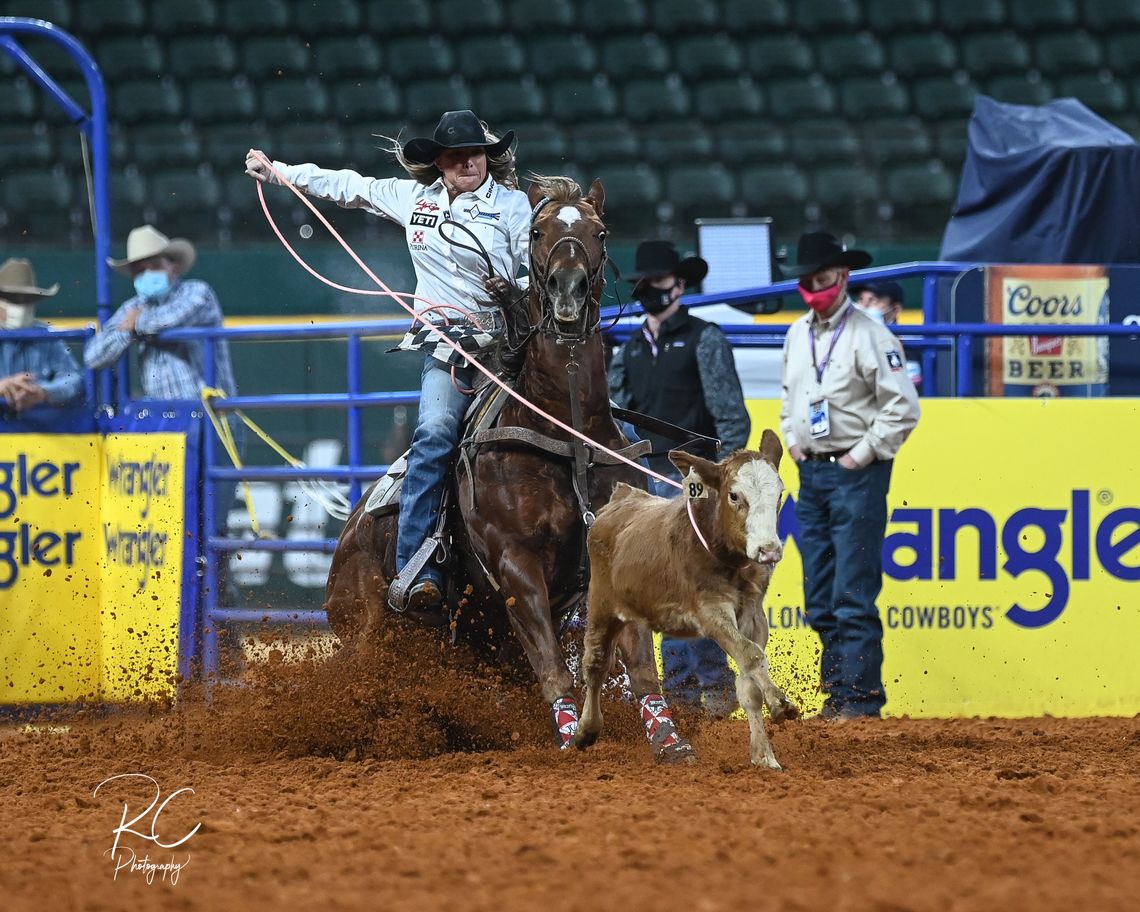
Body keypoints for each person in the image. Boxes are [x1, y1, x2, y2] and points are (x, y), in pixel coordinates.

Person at [245, 109, 532, 621]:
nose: (468, 161)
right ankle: (416, 569)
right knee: (435, 437)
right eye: (456, 154)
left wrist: (511, 295)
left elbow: (530, 279)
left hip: (509, 349)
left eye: (475, 152)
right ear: (439, 163)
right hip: (449, 353)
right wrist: (281, 172)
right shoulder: (414, 199)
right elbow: (350, 187)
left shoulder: (513, 206)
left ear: (488, 156)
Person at [780, 232, 920, 720]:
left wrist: (861, 454)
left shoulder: (871, 334)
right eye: (808, 282)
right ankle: (841, 694)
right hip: (814, 471)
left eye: (823, 280)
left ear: (843, 278)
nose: (815, 288)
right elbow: (788, 396)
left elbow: (903, 406)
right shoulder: (797, 334)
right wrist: (792, 438)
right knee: (820, 593)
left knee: (851, 591)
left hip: (855, 471)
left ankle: (859, 702)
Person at [608, 240, 750, 717]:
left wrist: (722, 481)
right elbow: (619, 416)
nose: (651, 292)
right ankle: (688, 691)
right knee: (665, 583)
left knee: (695, 580)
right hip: (651, 474)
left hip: (694, 477)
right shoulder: (629, 350)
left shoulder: (703, 338)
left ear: (680, 285)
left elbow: (729, 417)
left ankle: (710, 686)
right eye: (645, 286)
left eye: (658, 284)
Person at [84, 224, 240, 605]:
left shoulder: (197, 292)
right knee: (175, 531)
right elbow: (94, 354)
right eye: (137, 270)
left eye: (151, 266)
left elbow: (168, 320)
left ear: (173, 265)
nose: (144, 276)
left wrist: (133, 327)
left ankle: (223, 633)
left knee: (209, 532)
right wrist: (130, 329)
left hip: (212, 424)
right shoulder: (135, 309)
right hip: (166, 431)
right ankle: (198, 628)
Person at [0, 258, 83, 415]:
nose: (21, 306)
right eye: (13, 298)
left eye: (27, 299)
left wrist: (42, 392)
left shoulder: (47, 336)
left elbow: (74, 379)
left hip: (40, 432)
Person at [848, 279, 923, 389]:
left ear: (895, 310)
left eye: (873, 300)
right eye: (860, 299)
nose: (863, 307)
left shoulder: (911, 347)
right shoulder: (846, 341)